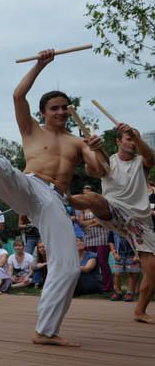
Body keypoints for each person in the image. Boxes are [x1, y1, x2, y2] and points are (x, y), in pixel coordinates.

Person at [0, 48, 106, 346]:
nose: (61, 112)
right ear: (44, 113)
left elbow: (99, 170)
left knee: (69, 266)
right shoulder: (32, 130)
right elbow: (17, 96)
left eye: (65, 107)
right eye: (55, 108)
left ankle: (46, 331)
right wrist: (40, 64)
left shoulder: (78, 141)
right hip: (30, 185)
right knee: (7, 171)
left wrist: (98, 148)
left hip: (54, 202)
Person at [68, 122, 155, 322]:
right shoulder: (110, 160)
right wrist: (96, 149)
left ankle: (140, 311)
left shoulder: (141, 162)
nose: (133, 143)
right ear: (118, 141)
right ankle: (64, 198)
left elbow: (151, 158)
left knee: (152, 269)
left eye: (135, 139)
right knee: (93, 198)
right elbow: (95, 170)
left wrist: (136, 135)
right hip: (114, 210)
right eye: (129, 138)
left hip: (139, 221)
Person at [78, 188, 111, 293]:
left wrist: (89, 223)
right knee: (90, 261)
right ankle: (94, 284)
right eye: (84, 193)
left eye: (87, 193)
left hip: (102, 237)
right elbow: (81, 223)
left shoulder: (100, 206)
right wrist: (93, 221)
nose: (85, 195)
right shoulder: (83, 209)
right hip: (88, 238)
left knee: (102, 262)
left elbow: (102, 221)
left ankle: (107, 287)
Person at [108, 230, 140, 302]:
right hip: (119, 254)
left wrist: (137, 254)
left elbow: (139, 240)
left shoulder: (132, 228)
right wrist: (114, 252)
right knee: (117, 273)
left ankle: (130, 293)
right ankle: (117, 292)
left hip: (131, 254)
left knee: (131, 273)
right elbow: (111, 241)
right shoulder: (113, 228)